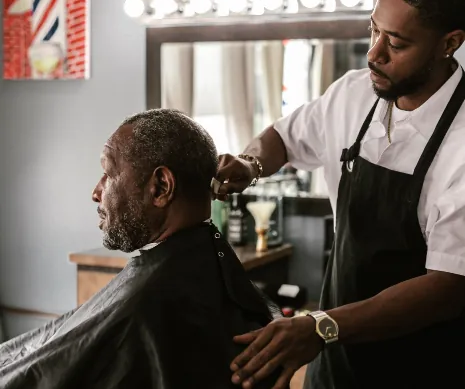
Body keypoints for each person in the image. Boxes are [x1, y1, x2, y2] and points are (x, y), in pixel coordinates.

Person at [215, 0, 465, 388]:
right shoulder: (353, 93)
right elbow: (283, 137)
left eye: (396, 43)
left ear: (449, 44)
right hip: (334, 362)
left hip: (423, 366)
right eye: (374, 30)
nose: (374, 53)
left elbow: (449, 285)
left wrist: (320, 327)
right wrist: (251, 163)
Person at [0, 109, 284, 389]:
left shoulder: (147, 304)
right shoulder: (203, 269)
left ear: (160, 187)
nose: (96, 192)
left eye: (108, 174)